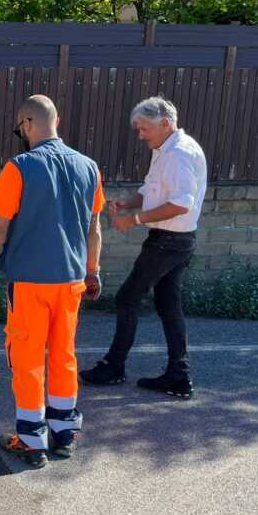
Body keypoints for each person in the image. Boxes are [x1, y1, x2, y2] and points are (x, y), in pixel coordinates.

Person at [0, 95, 104, 468]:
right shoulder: (89, 167)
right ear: (56, 120)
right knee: (64, 354)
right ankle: (65, 431)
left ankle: (31, 441)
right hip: (72, 281)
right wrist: (93, 270)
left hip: (30, 282)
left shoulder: (20, 167)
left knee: (27, 358)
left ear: (27, 123)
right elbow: (94, 228)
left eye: (20, 129)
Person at [79, 97, 207, 400]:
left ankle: (114, 366)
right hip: (177, 240)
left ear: (165, 123)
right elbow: (152, 190)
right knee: (168, 304)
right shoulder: (167, 149)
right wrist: (128, 203)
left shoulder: (178, 153)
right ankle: (179, 376)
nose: (140, 135)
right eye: (138, 128)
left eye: (144, 128)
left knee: (127, 297)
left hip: (168, 241)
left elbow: (181, 203)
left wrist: (134, 219)